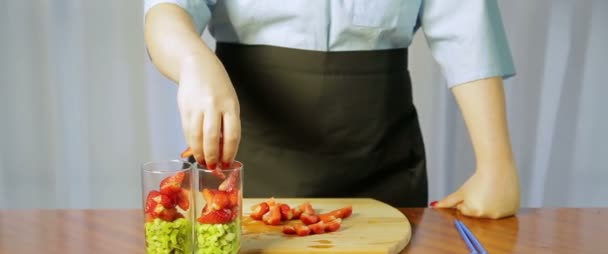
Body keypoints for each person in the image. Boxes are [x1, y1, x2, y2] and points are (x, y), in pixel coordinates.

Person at [143, 0, 520, 219]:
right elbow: (166, 11)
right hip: (246, 165)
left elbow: (467, 30)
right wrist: (194, 62)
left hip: (380, 161)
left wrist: (495, 166)